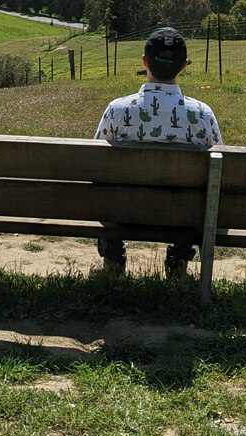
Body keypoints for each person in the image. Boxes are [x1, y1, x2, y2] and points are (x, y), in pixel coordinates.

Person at [93, 26, 223, 277]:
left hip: (123, 212)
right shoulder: (203, 115)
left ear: (144, 61)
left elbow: (95, 164)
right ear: (184, 66)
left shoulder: (117, 110)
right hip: (182, 214)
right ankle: (178, 260)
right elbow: (221, 169)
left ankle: (113, 259)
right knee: (194, 198)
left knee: (106, 193)